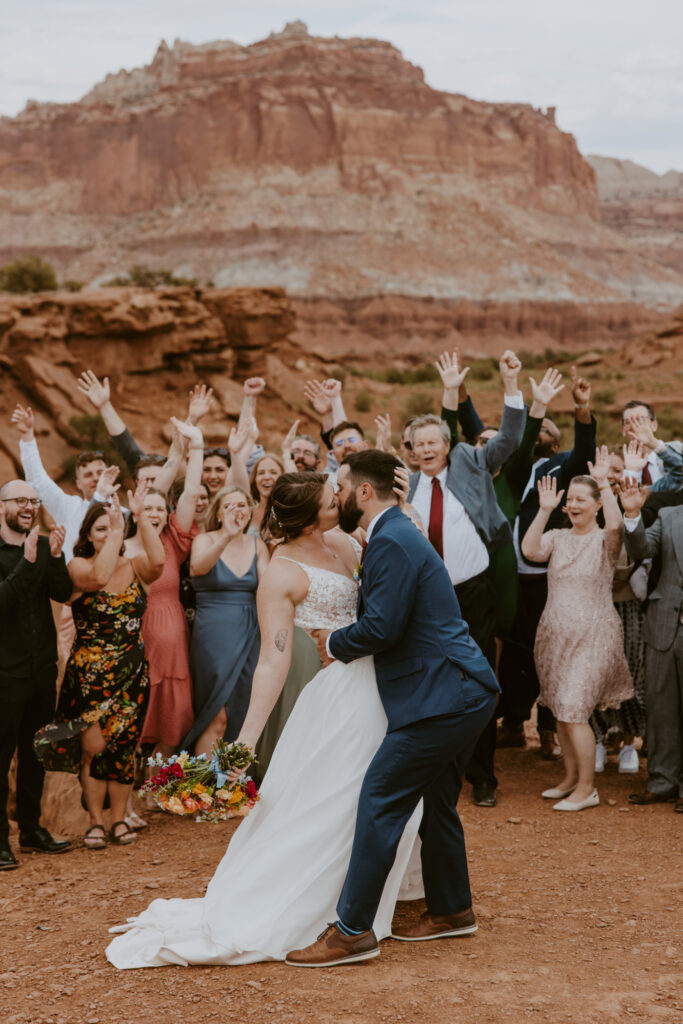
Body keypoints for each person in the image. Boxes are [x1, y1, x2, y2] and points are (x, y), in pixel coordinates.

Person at [105, 459, 467, 969]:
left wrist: (400, 504)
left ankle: (379, 893)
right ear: (306, 514)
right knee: (335, 797)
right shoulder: (278, 573)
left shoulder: (349, 543)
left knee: (384, 793)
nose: (337, 498)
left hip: (388, 684)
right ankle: (324, 903)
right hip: (341, 694)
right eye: (328, 497)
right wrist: (246, 739)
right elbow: (273, 659)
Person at [405, 350, 526, 807]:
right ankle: (434, 774)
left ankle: (483, 776)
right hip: (423, 598)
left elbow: (511, 438)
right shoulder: (405, 486)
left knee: (477, 683)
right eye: (420, 444)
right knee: (426, 682)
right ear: (412, 451)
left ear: (447, 443)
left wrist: (510, 383)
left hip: (474, 592)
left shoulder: (473, 464)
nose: (429, 448)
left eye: (436, 440)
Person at [34, 487, 165, 849]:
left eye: (113, 528)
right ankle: (95, 821)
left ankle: (119, 820)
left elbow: (158, 564)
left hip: (132, 672)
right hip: (89, 677)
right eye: (101, 529)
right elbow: (100, 579)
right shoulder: (78, 567)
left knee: (124, 748)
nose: (109, 534)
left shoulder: (136, 566)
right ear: (88, 535)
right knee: (94, 747)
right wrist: (119, 532)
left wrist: (140, 516)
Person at [521, 448, 634, 811]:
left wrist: (604, 482)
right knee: (560, 709)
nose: (572, 505)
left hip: (593, 636)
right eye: (569, 499)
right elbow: (530, 550)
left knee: (573, 709)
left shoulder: (605, 540)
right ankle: (570, 779)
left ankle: (588, 789)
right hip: (554, 636)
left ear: (597, 504)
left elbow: (617, 525)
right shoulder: (557, 536)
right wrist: (543, 509)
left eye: (580, 499)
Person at [497, 366, 597, 759]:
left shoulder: (564, 465)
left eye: (544, 433)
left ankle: (548, 728)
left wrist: (581, 409)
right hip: (510, 576)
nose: (537, 436)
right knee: (515, 651)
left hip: (548, 577)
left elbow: (586, 453)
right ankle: (512, 723)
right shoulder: (514, 468)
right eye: (533, 432)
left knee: (551, 653)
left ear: (556, 445)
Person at [0, 481, 72, 870]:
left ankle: (31, 829)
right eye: (20, 500)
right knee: (1, 757)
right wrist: (26, 565)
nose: (28, 506)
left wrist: (56, 557)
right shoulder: (19, 552)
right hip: (4, 673)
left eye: (33, 500)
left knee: (35, 753)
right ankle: (0, 840)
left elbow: (61, 593)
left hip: (42, 669)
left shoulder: (43, 546)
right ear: (1, 507)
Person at [126, 418, 204, 762]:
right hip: (134, 637)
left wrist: (194, 447)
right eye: (149, 508)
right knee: (133, 717)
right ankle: (125, 797)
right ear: (138, 512)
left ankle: (155, 783)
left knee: (176, 716)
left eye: (161, 509)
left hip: (171, 635)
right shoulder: (123, 546)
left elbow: (188, 491)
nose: (155, 513)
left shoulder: (174, 540)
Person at [182, 487, 269, 757]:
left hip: (250, 630)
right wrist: (227, 538)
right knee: (215, 714)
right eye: (229, 506)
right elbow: (197, 568)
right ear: (218, 513)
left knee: (238, 713)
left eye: (242, 504)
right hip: (214, 633)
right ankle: (199, 790)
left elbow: (268, 590)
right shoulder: (205, 540)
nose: (237, 510)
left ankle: (227, 790)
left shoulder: (258, 545)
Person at [621, 483, 683, 812]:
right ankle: (662, 781)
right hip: (663, 625)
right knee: (661, 708)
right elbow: (641, 548)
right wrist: (632, 515)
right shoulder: (668, 515)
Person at [621, 401, 682, 492]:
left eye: (640, 419)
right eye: (628, 422)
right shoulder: (617, 464)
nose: (634, 425)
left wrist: (653, 443)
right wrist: (631, 472)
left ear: (654, 425)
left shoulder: (677, 449)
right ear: (623, 430)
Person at [248, 454, 285, 537]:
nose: (267, 477)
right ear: (255, 479)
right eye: (261, 473)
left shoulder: (288, 513)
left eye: (273, 473)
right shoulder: (247, 511)